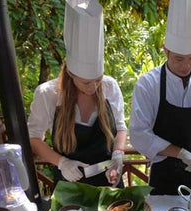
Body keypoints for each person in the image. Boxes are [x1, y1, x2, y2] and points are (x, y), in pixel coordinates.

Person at [130, 0, 191, 195]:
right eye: (178, 59)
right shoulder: (148, 85)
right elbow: (140, 135)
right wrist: (181, 154)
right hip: (164, 179)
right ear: (166, 50)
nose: (186, 66)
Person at [28, 0, 127, 188]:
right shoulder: (47, 94)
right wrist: (62, 163)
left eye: (98, 79)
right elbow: (33, 138)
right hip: (69, 185)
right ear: (71, 74)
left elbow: (121, 127)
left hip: (109, 180)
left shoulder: (109, 86)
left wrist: (118, 154)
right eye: (86, 82)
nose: (94, 87)